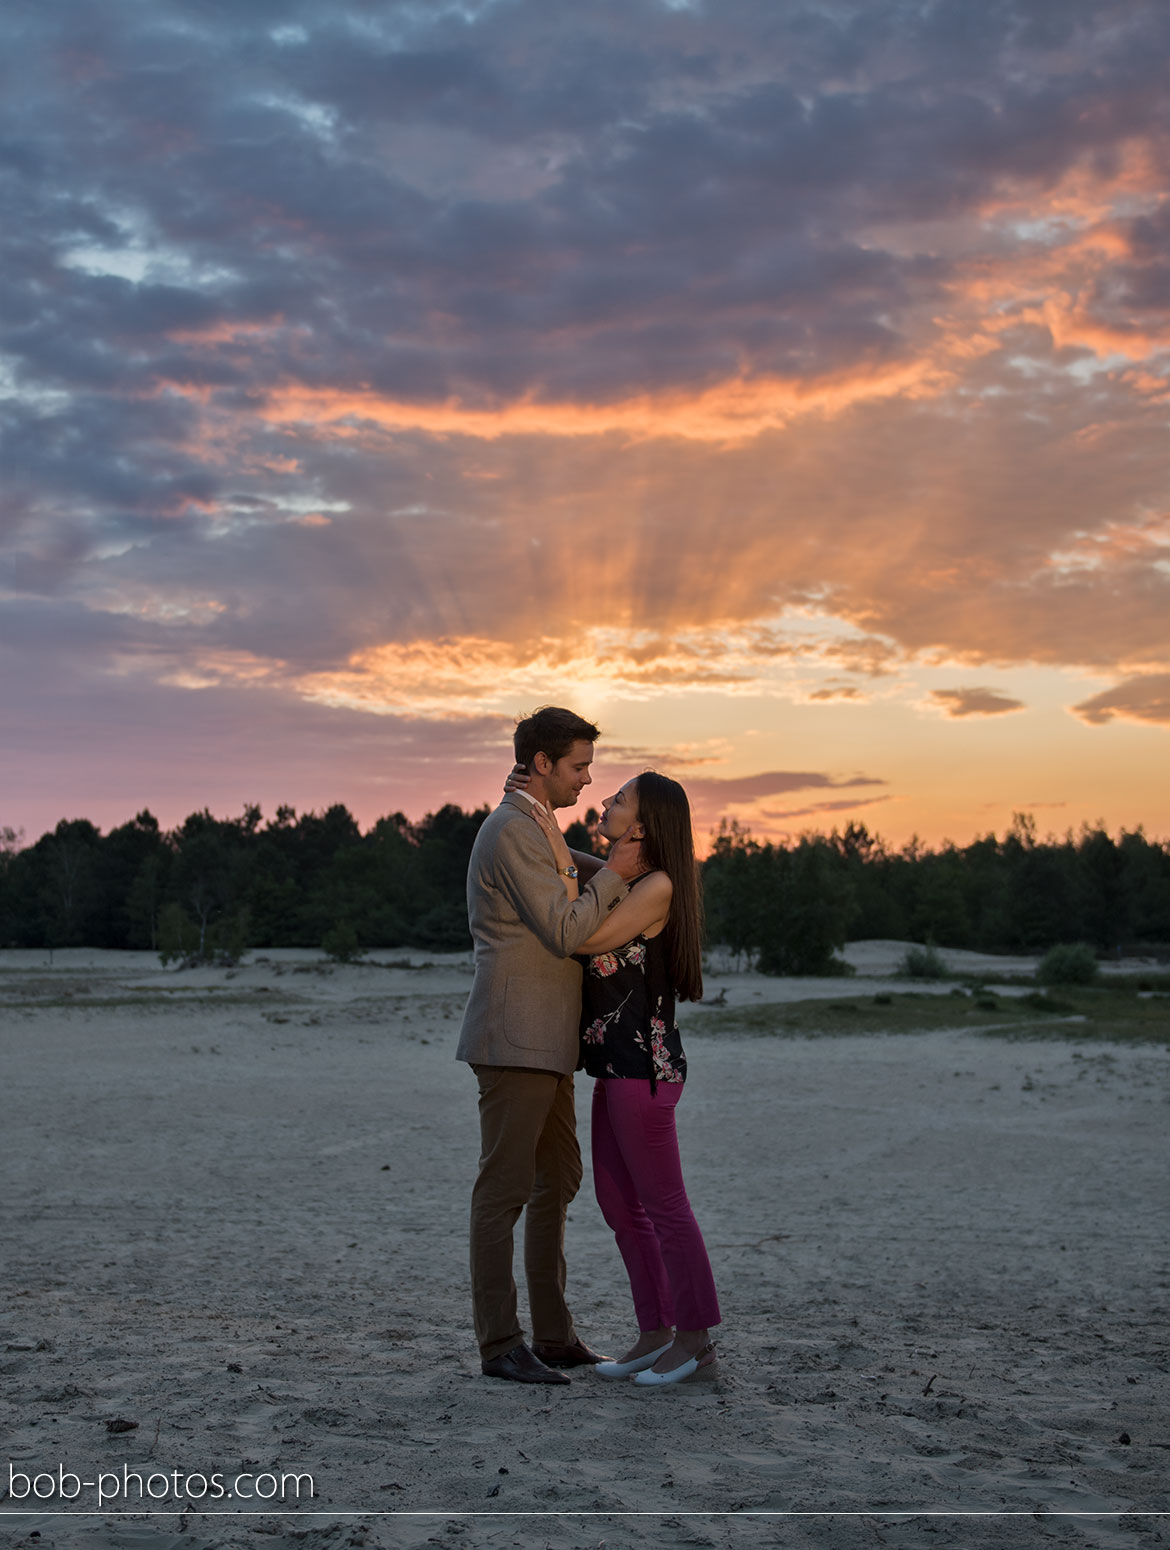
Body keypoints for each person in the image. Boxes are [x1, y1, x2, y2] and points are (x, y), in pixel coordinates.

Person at [457, 707, 643, 1385]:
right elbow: (566, 928)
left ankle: (555, 1336)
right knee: (503, 1188)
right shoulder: (511, 828)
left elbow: (573, 876)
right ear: (541, 763)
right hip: (514, 1037)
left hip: (546, 1041)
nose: (588, 781)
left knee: (556, 1179)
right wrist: (620, 873)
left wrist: (639, 869)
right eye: (578, 766)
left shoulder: (540, 827)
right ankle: (500, 1343)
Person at [523, 770, 722, 1386]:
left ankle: (696, 1345)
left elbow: (590, 937)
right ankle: (655, 1332)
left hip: (646, 1073)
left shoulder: (658, 885)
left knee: (665, 1209)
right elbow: (566, 860)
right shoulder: (629, 877)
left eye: (620, 798)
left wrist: (603, 869)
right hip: (614, 1068)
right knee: (619, 1204)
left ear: (642, 824)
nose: (605, 800)